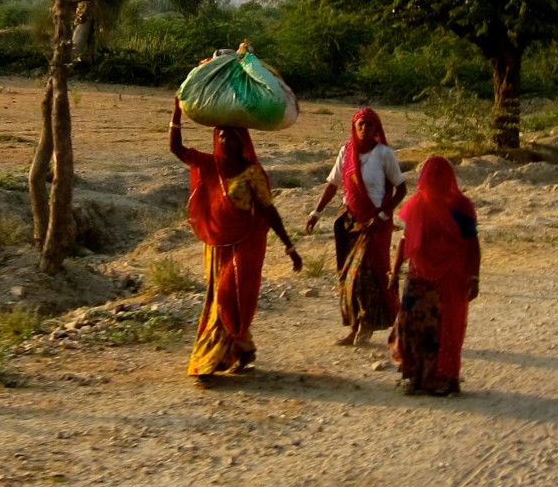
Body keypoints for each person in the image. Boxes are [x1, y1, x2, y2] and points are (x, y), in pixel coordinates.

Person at [169, 96, 302, 382]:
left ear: (243, 141)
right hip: (216, 244)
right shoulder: (209, 165)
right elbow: (176, 149)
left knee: (229, 295)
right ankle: (237, 350)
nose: (226, 140)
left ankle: (211, 359)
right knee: (217, 299)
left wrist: (290, 246)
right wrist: (176, 111)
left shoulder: (252, 173)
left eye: (232, 136)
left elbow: (268, 209)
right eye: (222, 135)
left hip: (246, 242)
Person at [306, 107, 406, 346]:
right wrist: (316, 212)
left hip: (375, 223)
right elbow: (333, 184)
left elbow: (401, 188)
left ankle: (369, 325)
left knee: (369, 275)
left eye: (369, 125)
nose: (364, 129)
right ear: (354, 127)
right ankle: (354, 326)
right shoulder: (346, 152)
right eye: (360, 124)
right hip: (349, 221)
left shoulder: (384, 154)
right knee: (348, 276)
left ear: (376, 129)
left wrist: (382, 215)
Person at [388, 156, 481, 396]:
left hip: (450, 278)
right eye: (431, 176)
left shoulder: (461, 208)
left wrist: (474, 277)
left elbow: (472, 244)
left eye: (440, 176)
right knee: (411, 325)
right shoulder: (418, 205)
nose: (434, 181)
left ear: (449, 178)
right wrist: (395, 271)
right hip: (418, 276)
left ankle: (446, 379)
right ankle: (415, 377)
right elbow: (404, 240)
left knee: (446, 329)